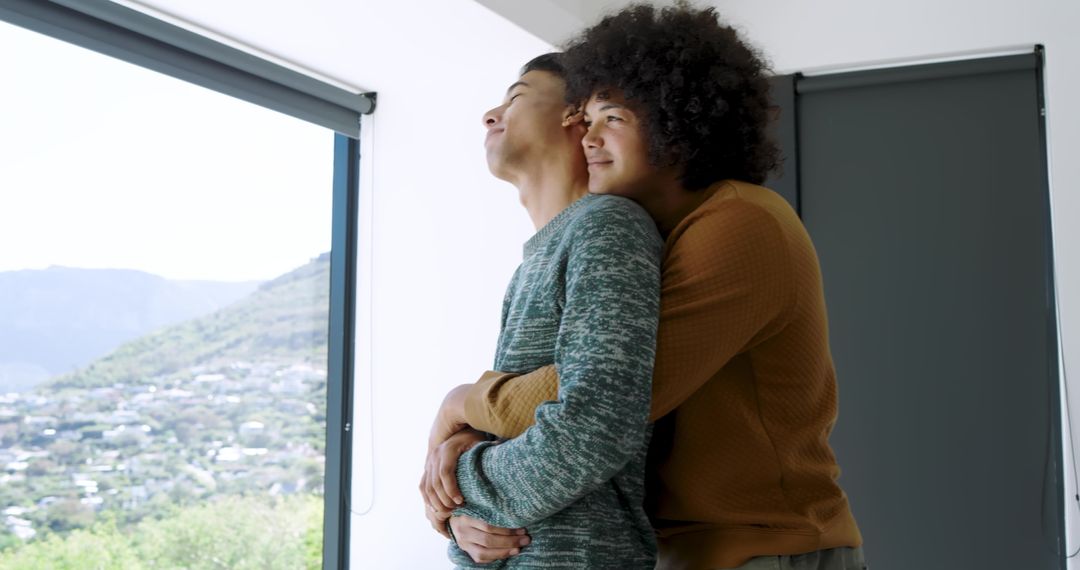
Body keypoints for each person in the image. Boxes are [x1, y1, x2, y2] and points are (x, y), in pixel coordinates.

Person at [425, 4, 867, 569]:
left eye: (611, 117)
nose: (587, 137)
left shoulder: (741, 223)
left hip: (764, 545)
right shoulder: (655, 234)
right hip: (681, 546)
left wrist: (464, 405)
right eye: (585, 119)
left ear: (678, 121)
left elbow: (606, 395)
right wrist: (466, 481)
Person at [419, 53, 664, 568]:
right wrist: (460, 521)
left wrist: (461, 490)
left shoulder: (608, 227)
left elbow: (596, 425)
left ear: (575, 116)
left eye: (516, 97)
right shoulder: (538, 258)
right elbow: (518, 431)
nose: (490, 114)